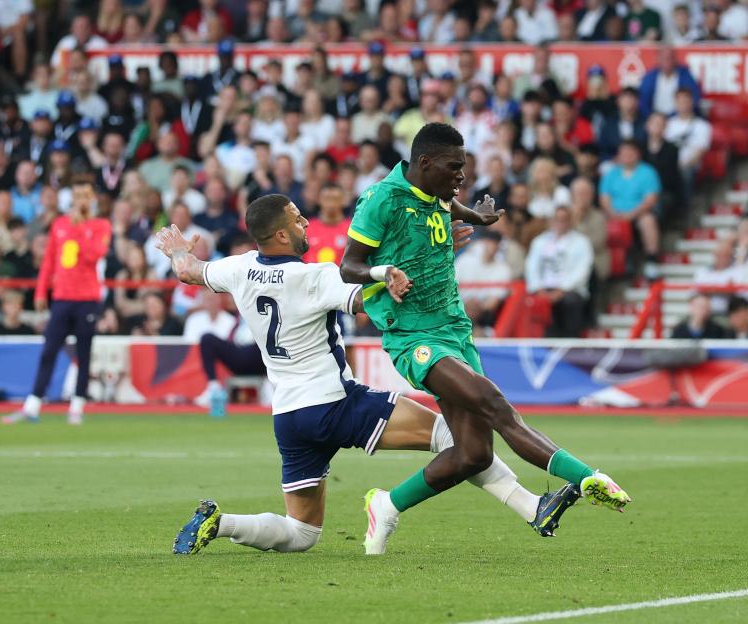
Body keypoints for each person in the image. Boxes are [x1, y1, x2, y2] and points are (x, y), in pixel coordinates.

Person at [161, 194, 573, 557]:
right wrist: (430, 252)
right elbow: (375, 296)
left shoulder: (239, 268)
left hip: (289, 416)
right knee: (456, 439)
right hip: (335, 403)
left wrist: (178, 250)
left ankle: (222, 523)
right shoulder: (315, 277)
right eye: (297, 219)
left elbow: (188, 270)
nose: (305, 223)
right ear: (281, 235)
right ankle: (530, 506)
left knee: (301, 533)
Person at [340, 123, 629, 553]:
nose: (461, 176)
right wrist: (385, 273)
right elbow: (349, 267)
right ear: (425, 163)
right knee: (494, 403)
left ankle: (387, 504)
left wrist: (477, 216)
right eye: (454, 167)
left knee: (474, 454)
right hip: (414, 336)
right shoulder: (382, 199)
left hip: (455, 331)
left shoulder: (435, 191)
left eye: (464, 166)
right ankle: (587, 477)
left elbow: (447, 206)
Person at [1, 177, 111, 425]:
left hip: (87, 298)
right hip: (62, 297)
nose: (80, 201)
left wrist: (81, 226)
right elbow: (49, 261)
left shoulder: (100, 225)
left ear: (91, 200)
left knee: (83, 353)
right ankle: (33, 404)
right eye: (77, 196)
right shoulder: (59, 224)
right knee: (49, 350)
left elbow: (96, 254)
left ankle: (77, 405)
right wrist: (41, 292)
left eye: (85, 196)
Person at [524, 205, 594, 338]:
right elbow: (531, 267)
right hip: (542, 289)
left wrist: (561, 291)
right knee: (527, 302)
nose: (560, 223)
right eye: (557, 219)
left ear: (570, 221)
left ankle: (571, 340)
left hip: (570, 290)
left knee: (570, 302)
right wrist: (539, 289)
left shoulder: (581, 242)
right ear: (551, 221)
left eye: (564, 220)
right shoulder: (539, 241)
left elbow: (582, 270)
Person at [599, 140, 662, 279]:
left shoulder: (648, 172)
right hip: (613, 213)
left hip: (639, 213)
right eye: (623, 152)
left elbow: (650, 199)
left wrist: (631, 214)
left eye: (630, 152)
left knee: (648, 221)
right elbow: (604, 197)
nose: (626, 155)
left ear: (638, 154)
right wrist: (612, 213)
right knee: (597, 221)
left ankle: (651, 260)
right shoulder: (611, 173)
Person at [638, 46, 701, 118]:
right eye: (664, 58)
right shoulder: (649, 77)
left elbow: (694, 97)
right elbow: (643, 101)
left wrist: (675, 117)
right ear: (658, 59)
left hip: (679, 117)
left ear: (675, 59)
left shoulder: (685, 76)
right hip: (655, 118)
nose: (667, 61)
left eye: (670, 57)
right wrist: (651, 116)